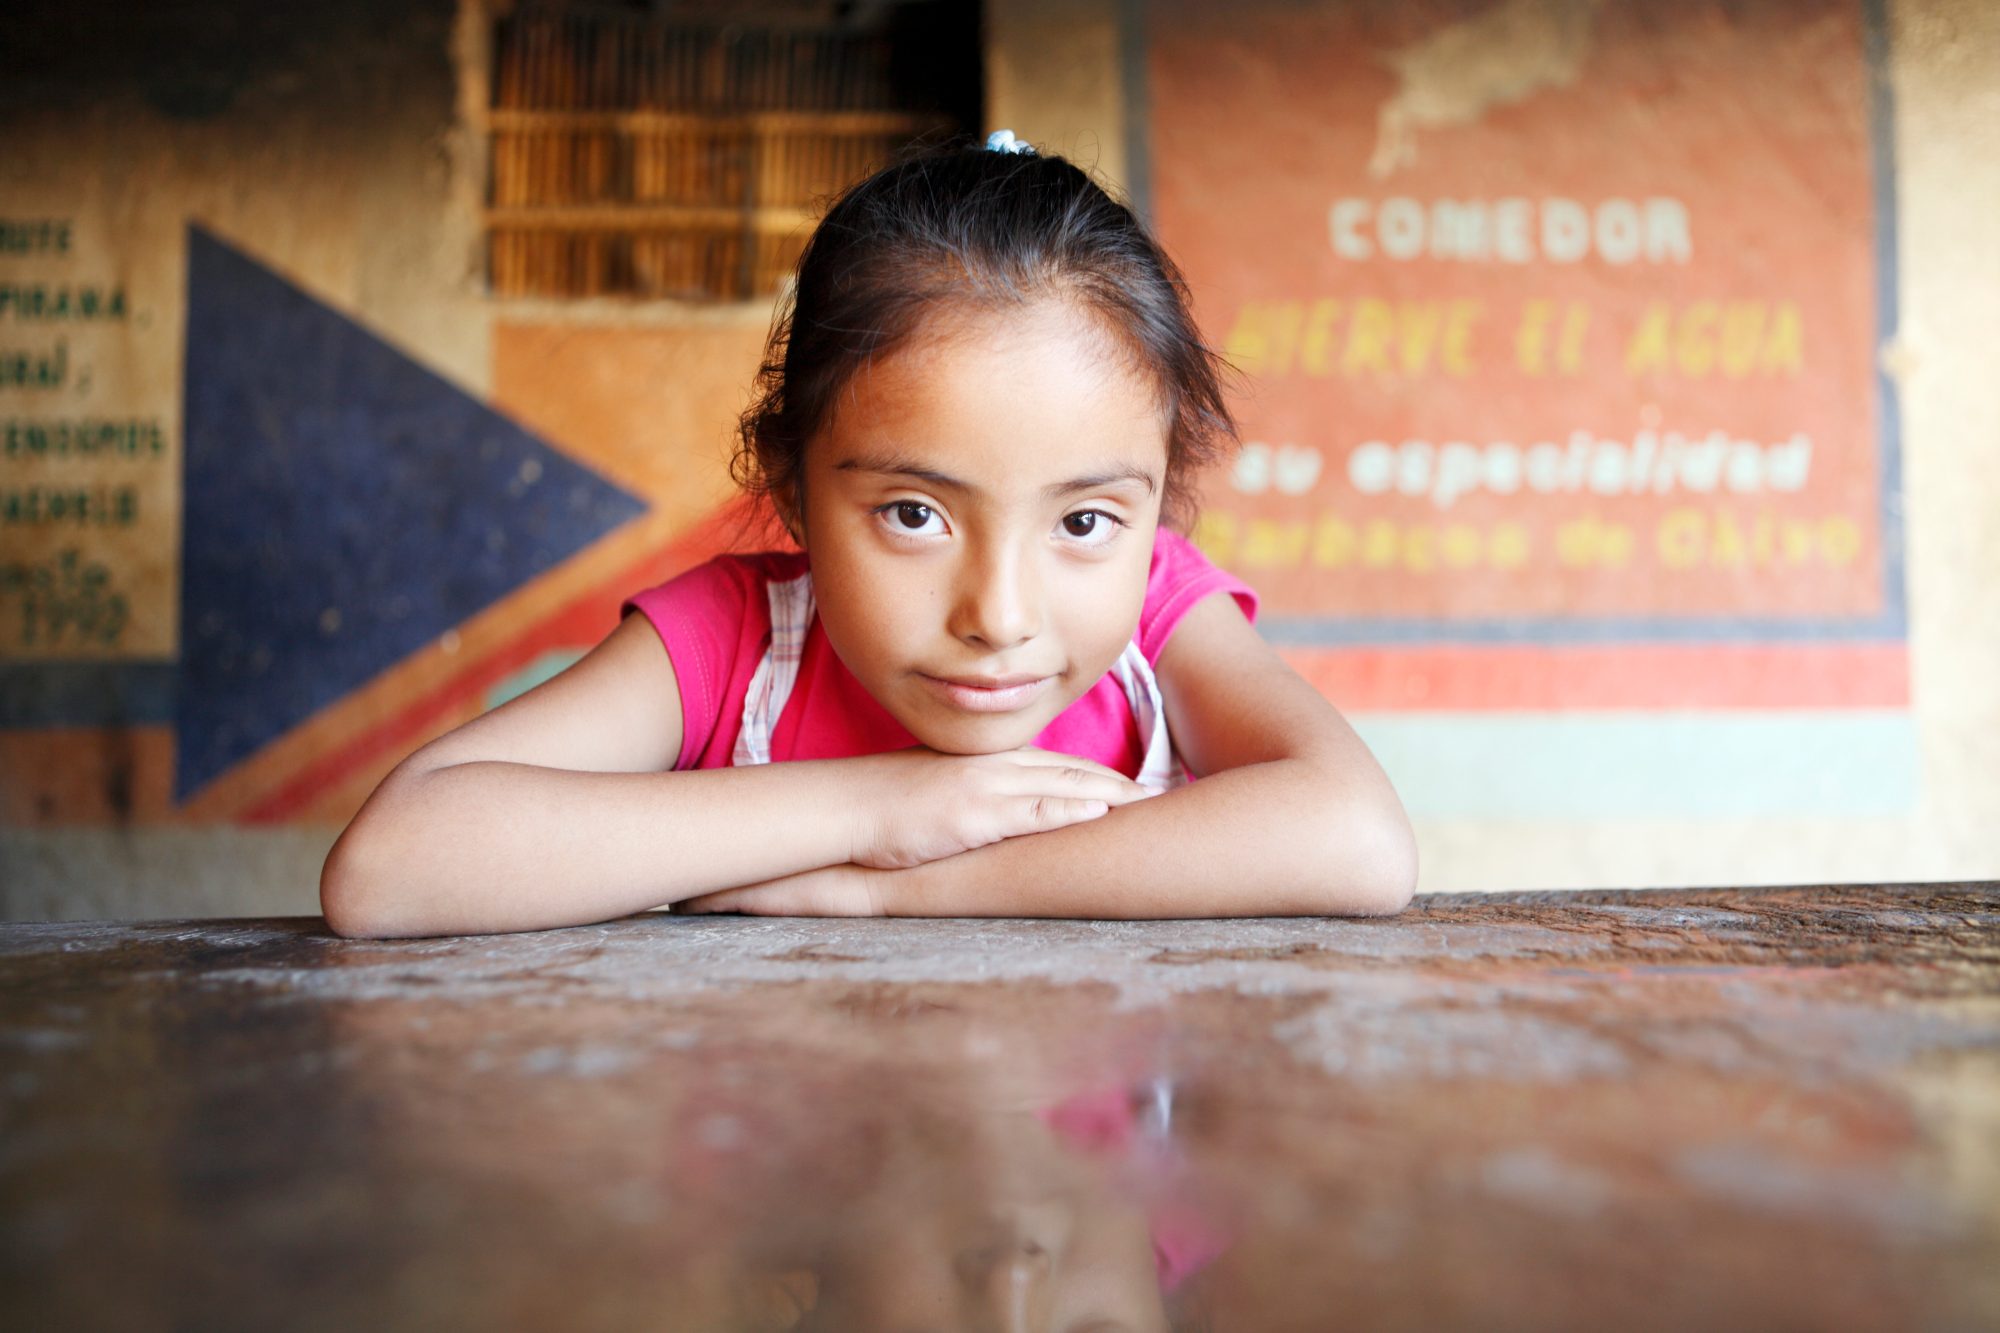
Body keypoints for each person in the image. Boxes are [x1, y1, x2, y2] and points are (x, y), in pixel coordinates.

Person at [320, 133, 1415, 939]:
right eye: (914, 514)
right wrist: (885, 804)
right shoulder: (730, 641)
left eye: (1083, 521)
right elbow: (394, 865)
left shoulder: (1162, 624)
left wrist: (891, 888)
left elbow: (1356, 839)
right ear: (791, 487)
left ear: (1158, 507)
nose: (999, 615)